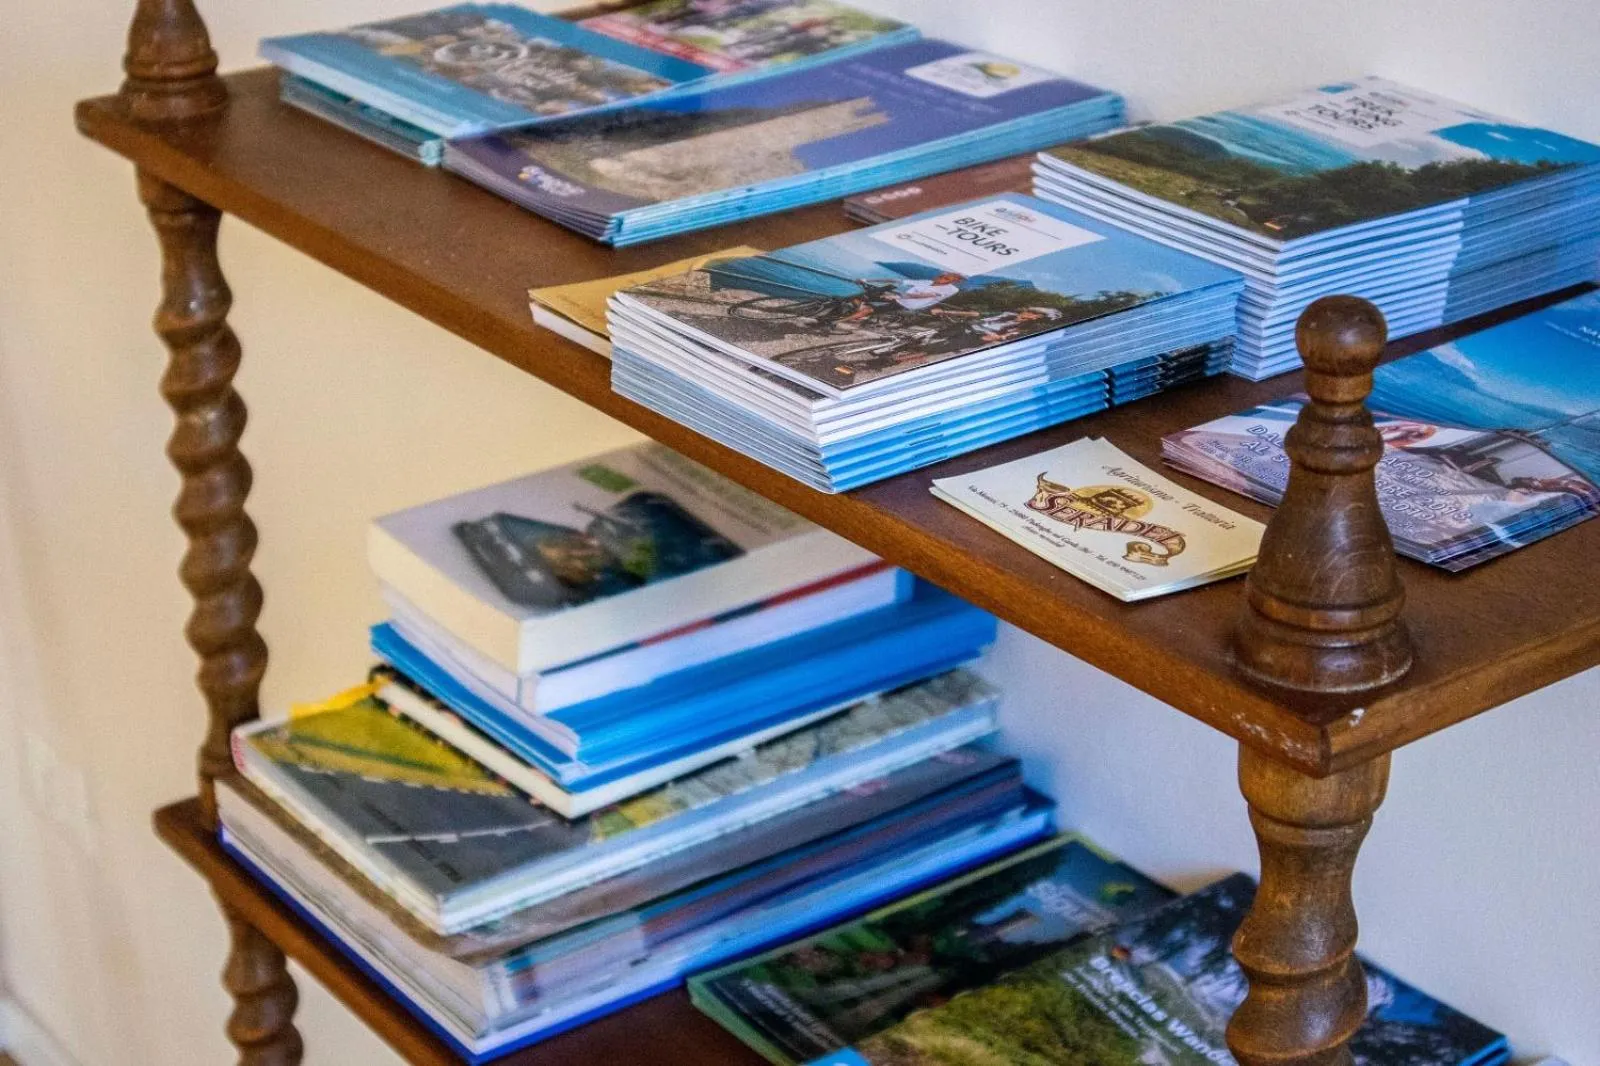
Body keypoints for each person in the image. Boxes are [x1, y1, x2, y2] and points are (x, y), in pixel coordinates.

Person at [839, 273, 968, 324]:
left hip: (907, 305)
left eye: (946, 278)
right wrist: (867, 279)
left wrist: (897, 295)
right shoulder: (927, 281)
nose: (941, 278)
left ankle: (838, 322)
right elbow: (896, 280)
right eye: (942, 275)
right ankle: (860, 311)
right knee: (862, 296)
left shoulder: (949, 290)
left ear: (955, 282)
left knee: (870, 309)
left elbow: (921, 296)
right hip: (899, 298)